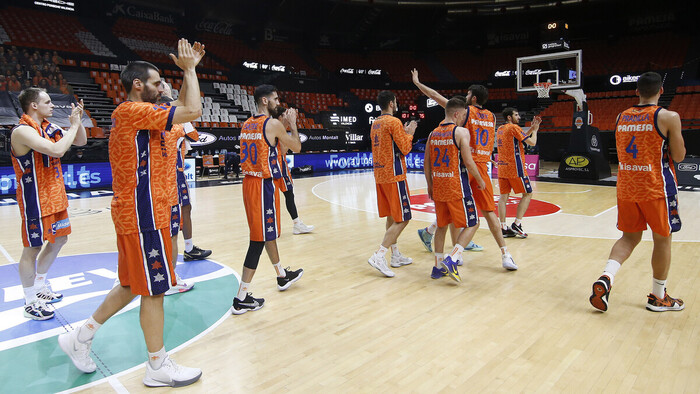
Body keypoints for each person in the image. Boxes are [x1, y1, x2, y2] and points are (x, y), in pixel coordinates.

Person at [58, 39, 205, 387]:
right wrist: (190, 70)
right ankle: (157, 366)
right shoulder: (130, 111)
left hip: (149, 211)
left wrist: (186, 76)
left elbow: (182, 105)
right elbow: (193, 111)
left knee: (130, 284)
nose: (162, 88)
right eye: (156, 83)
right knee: (154, 290)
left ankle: (81, 335)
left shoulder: (150, 118)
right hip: (143, 215)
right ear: (137, 85)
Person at [590, 71, 686, 313]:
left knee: (629, 238)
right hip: (656, 188)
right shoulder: (669, 116)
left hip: (627, 187)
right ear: (661, 91)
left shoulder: (621, 117)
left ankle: (607, 277)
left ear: (636, 92)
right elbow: (679, 156)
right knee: (662, 239)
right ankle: (658, 296)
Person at [412, 69, 518, 270]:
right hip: (482, 166)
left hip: (465, 167)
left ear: (473, 97)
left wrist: (418, 83)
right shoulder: (492, 117)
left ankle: (452, 250)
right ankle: (505, 254)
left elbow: (434, 96)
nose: (465, 96)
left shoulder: (464, 112)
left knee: (453, 211)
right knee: (489, 213)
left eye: (468, 94)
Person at [10, 88, 86, 320]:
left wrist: (78, 121)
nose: (53, 105)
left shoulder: (49, 128)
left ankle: (40, 287)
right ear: (33, 105)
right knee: (32, 248)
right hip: (34, 199)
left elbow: (81, 141)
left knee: (60, 239)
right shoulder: (21, 131)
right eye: (48, 102)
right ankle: (29, 301)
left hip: (55, 196)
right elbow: (57, 149)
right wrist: (71, 126)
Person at [233, 84, 304, 315]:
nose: (277, 102)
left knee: (267, 232)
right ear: (265, 101)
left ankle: (282, 276)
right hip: (263, 185)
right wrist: (292, 123)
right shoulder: (271, 124)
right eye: (274, 98)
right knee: (258, 239)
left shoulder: (247, 124)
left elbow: (277, 150)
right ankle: (241, 297)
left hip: (249, 183)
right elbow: (296, 147)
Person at [424, 97, 486, 282]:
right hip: (457, 187)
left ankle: (437, 267)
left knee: (441, 227)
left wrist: (430, 185)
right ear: (457, 113)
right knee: (473, 223)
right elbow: (468, 161)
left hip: (439, 187)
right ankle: (453, 258)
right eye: (464, 115)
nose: (464, 118)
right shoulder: (461, 132)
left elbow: (426, 164)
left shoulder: (432, 133)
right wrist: (481, 180)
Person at [367, 90, 417, 278]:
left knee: (391, 216)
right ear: (391, 103)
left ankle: (395, 255)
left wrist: (403, 133)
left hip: (380, 175)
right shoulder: (393, 122)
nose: (396, 104)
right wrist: (410, 134)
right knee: (403, 218)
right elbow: (404, 148)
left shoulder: (375, 123)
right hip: (394, 175)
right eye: (395, 102)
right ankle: (379, 255)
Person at [161, 82, 212, 264]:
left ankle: (188, 248)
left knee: (185, 209)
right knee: (175, 213)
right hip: (172, 172)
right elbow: (194, 136)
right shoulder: (174, 121)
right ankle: (172, 257)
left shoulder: (164, 117)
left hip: (174, 171)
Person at [496, 108, 540, 238]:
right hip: (516, 168)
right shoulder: (514, 127)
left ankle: (503, 227)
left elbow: (519, 138)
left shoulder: (500, 129)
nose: (519, 117)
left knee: (503, 198)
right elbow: (532, 142)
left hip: (502, 168)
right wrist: (535, 131)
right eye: (516, 115)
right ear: (509, 117)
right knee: (527, 193)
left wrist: (530, 129)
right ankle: (517, 224)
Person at [274, 107, 314, 234]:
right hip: (279, 166)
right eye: (285, 114)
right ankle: (296, 224)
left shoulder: (273, 126)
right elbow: (286, 149)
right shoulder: (276, 129)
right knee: (288, 195)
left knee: (287, 195)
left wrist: (286, 123)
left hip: (276, 165)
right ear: (280, 117)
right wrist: (292, 124)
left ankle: (295, 223)